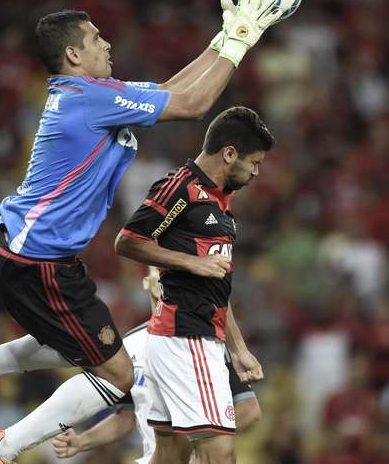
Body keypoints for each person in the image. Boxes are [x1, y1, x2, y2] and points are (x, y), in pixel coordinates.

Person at [0, 0, 283, 464]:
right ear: (73, 54)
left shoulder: (95, 93)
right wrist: (242, 42)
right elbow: (194, 106)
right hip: (38, 262)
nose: (107, 43)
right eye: (96, 39)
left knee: (92, 347)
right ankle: (1, 448)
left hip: (37, 257)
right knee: (119, 374)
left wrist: (224, 40)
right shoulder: (88, 100)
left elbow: (171, 91)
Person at [114, 105, 274, 464]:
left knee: (168, 456)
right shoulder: (182, 187)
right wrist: (192, 262)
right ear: (230, 154)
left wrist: (238, 348)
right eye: (255, 162)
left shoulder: (222, 201)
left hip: (194, 337)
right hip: (186, 338)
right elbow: (128, 240)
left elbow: (216, 284)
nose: (256, 172)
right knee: (220, 451)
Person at [51, 266, 262, 463]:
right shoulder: (129, 344)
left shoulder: (209, 340)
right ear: (148, 284)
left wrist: (202, 440)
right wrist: (82, 441)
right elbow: (126, 416)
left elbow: (248, 410)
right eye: (159, 277)